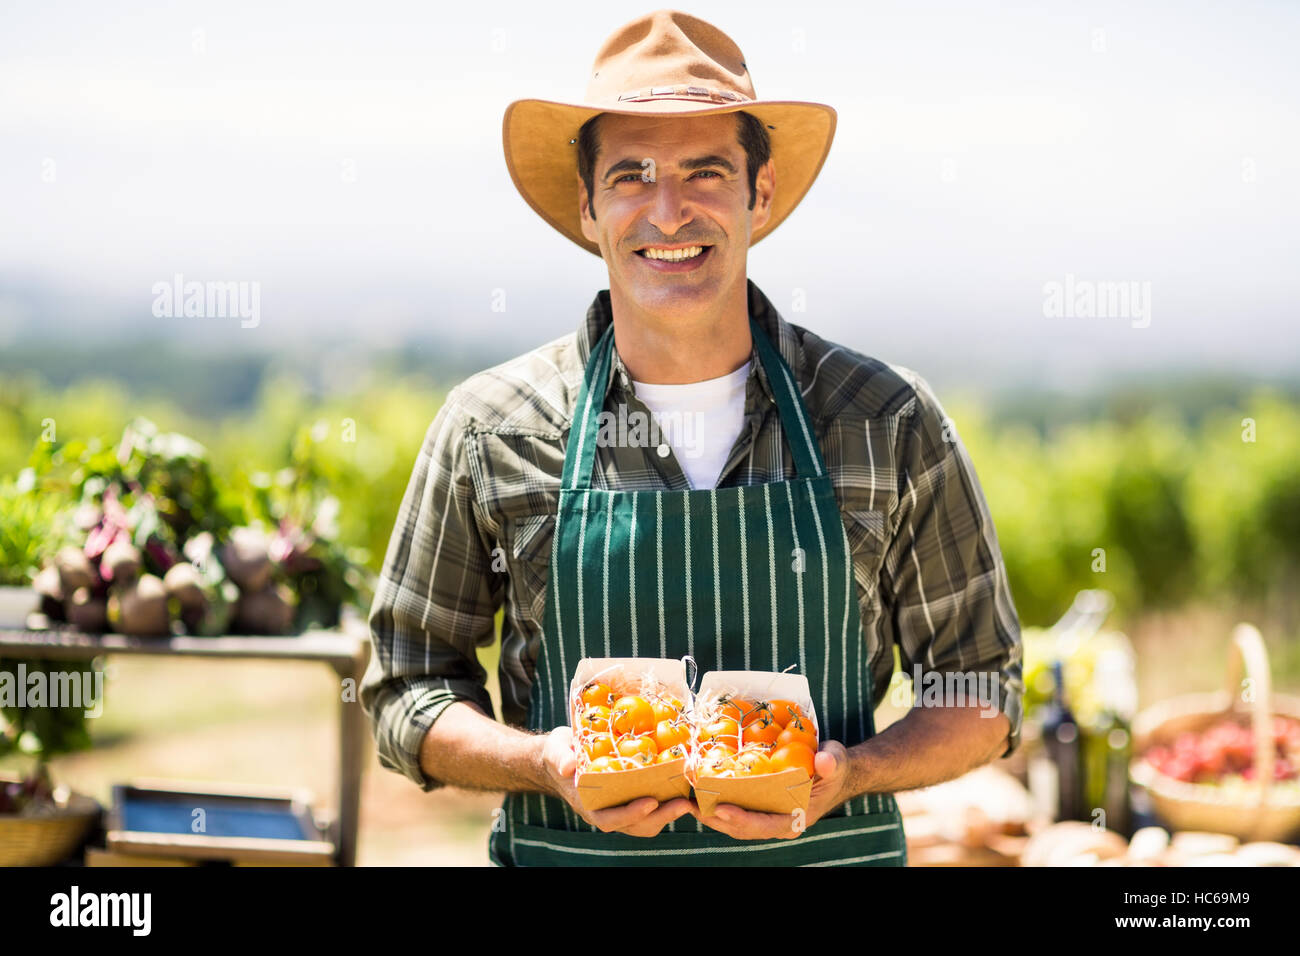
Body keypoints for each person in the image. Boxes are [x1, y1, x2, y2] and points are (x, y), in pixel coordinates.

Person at [361, 9, 1023, 866]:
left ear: (762, 190)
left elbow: (982, 690)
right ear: (589, 205)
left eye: (705, 171)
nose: (668, 212)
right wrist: (544, 762)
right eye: (631, 175)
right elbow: (405, 687)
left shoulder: (888, 420)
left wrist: (853, 773)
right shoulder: (492, 427)